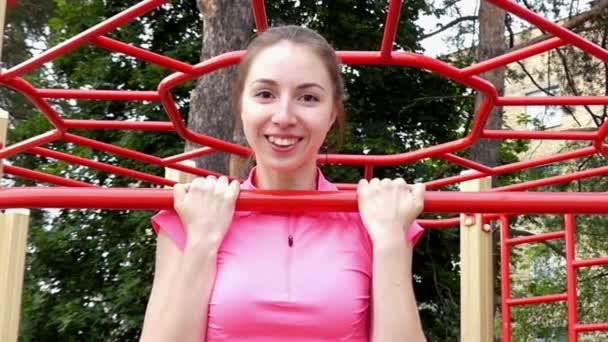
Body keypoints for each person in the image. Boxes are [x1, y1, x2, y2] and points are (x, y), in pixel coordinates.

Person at [140, 25, 427, 342]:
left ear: (332, 113)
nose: (284, 116)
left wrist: (389, 243)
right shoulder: (190, 217)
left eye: (308, 97)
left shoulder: (377, 222)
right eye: (265, 94)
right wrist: (202, 242)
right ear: (241, 105)